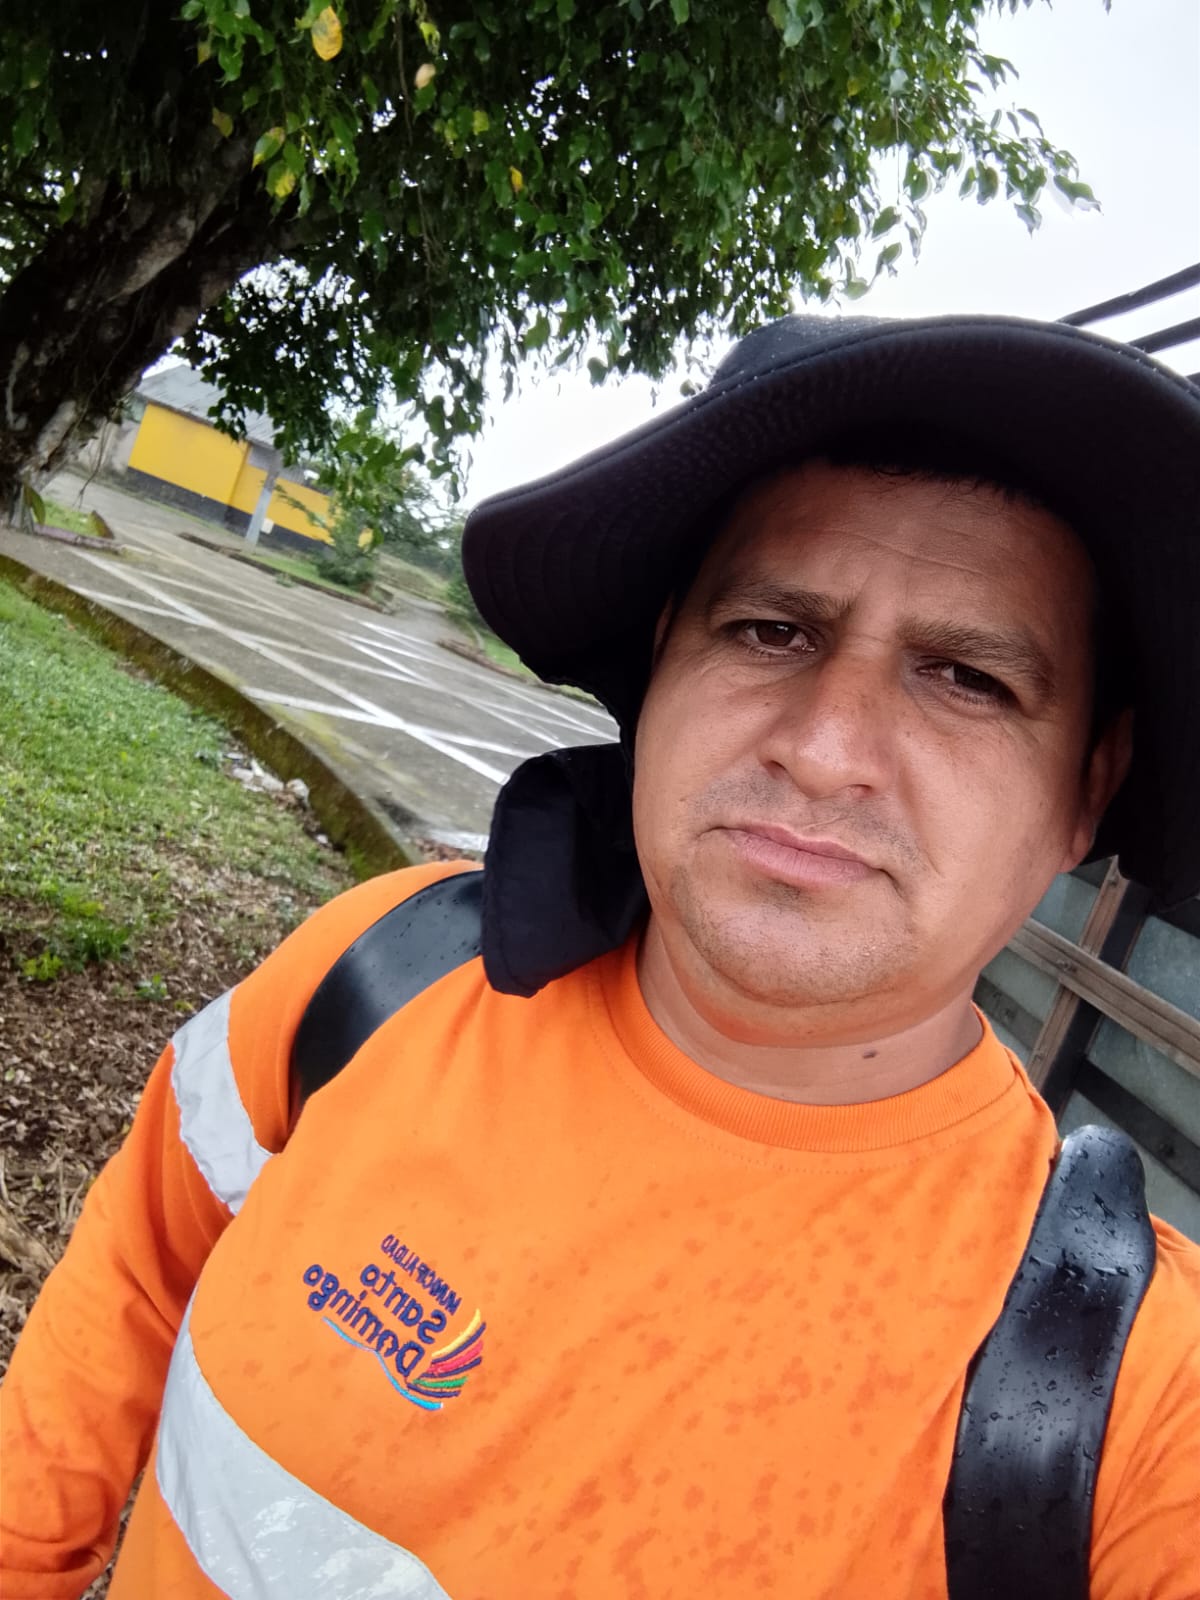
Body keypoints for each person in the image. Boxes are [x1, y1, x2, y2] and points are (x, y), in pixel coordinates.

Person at [2, 312, 1198, 1599]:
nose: (824, 748)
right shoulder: (377, 973)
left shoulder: (1132, 1400)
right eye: (771, 630)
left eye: (964, 675)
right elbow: (120, 1306)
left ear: (1089, 788)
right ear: (663, 657)